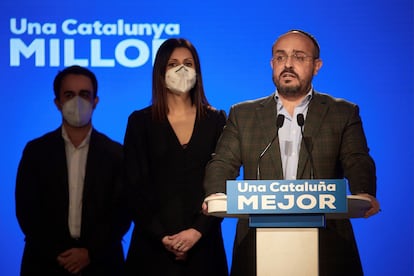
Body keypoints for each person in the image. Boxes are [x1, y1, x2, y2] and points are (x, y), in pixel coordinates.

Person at [202, 29, 381, 276]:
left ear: (316, 66)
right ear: (271, 64)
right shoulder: (243, 114)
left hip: (327, 241)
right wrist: (214, 193)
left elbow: (356, 159)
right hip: (257, 241)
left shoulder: (342, 112)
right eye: (280, 57)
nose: (287, 64)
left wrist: (364, 192)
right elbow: (222, 162)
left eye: (299, 57)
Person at [123, 38, 228, 276]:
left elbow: (223, 183)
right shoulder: (140, 122)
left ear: (198, 71)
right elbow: (134, 186)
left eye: (188, 63)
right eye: (173, 64)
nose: (182, 69)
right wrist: (163, 236)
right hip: (152, 249)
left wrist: (197, 231)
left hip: (204, 247)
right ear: (161, 72)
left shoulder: (216, 120)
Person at [15, 65, 130, 276]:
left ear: (96, 101)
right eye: (69, 95)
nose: (77, 101)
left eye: (84, 94)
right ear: (57, 103)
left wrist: (90, 252)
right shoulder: (36, 152)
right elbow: (27, 211)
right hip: (45, 263)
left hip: (102, 264)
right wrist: (57, 253)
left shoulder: (116, 154)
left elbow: (122, 213)